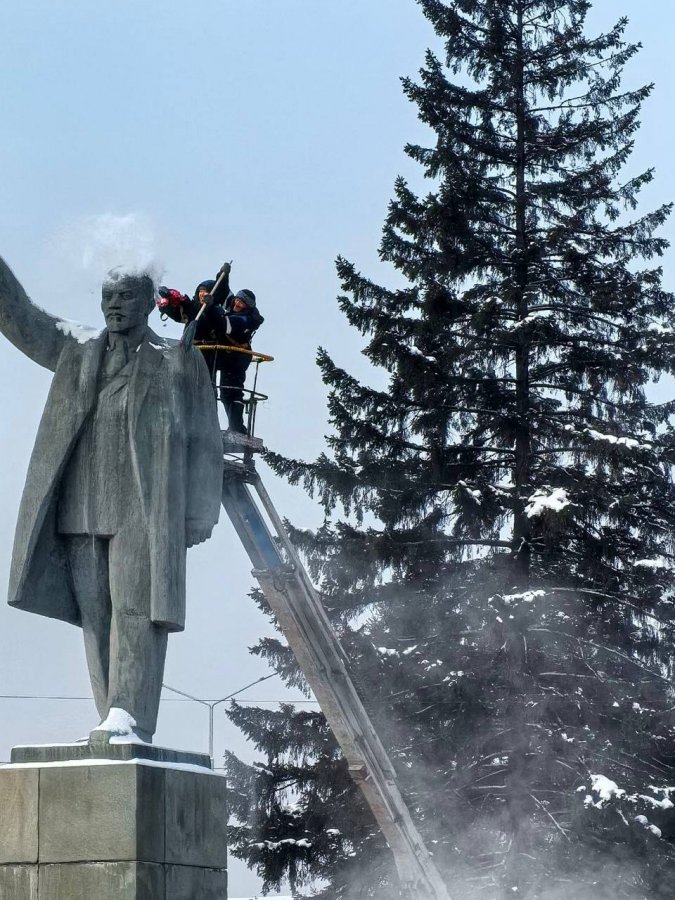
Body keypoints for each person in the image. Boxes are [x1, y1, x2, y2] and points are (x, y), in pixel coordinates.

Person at [0, 260, 223, 743]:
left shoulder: (178, 359)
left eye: (125, 297)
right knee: (96, 616)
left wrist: (202, 509)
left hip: (144, 509)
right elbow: (18, 315)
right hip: (80, 505)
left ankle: (130, 715)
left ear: (149, 303)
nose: (115, 306)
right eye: (109, 297)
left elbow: (207, 439)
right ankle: (110, 714)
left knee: (135, 611)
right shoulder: (76, 349)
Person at [158, 263, 264, 434]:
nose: (237, 303)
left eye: (242, 302)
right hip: (217, 353)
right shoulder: (225, 305)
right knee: (212, 389)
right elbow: (223, 290)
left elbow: (224, 325)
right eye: (237, 299)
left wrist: (212, 308)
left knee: (229, 392)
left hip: (235, 358)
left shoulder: (245, 320)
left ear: (248, 306)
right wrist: (223, 275)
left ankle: (235, 427)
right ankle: (204, 420)